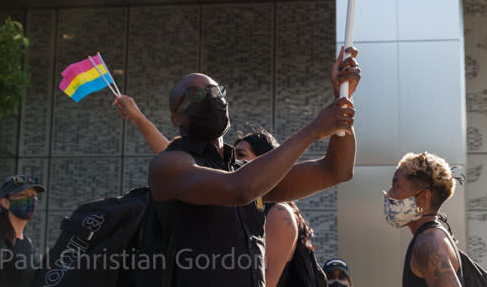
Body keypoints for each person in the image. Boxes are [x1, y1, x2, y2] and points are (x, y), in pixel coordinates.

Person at [144, 46, 360, 287]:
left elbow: (335, 170)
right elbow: (240, 189)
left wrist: (342, 96)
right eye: (195, 94)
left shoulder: (239, 171)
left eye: (216, 92)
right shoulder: (169, 164)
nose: (210, 98)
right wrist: (313, 130)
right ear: (176, 118)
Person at [233, 128, 324, 287]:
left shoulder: (279, 214)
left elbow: (265, 283)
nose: (232, 163)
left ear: (265, 163)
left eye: (241, 155)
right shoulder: (246, 211)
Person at [383, 151, 463, 287]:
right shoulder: (432, 237)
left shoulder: (427, 244)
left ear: (423, 198)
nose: (389, 193)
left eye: (396, 186)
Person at [0, 175, 45, 287]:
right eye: (23, 195)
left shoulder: (28, 243)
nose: (31, 200)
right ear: (5, 203)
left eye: (33, 195)